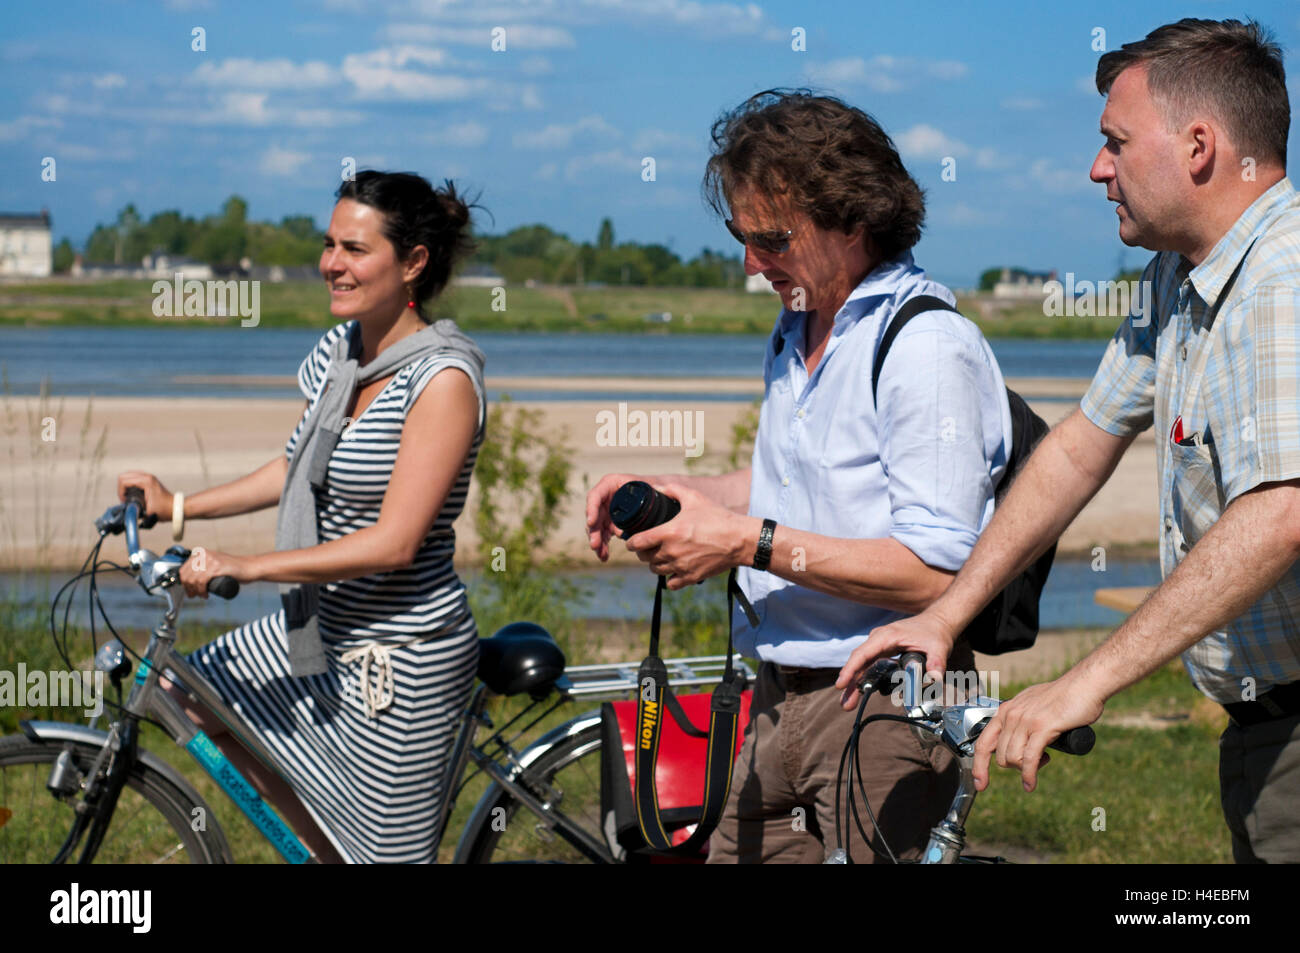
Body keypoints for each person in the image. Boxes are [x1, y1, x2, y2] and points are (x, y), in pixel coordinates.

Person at [838, 17, 1300, 863]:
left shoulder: (1280, 281)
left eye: (1115, 143)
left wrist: (1081, 683)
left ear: (1199, 146)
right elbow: (1082, 442)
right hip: (1263, 725)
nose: (1098, 169)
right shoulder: (1179, 274)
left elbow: (1279, 514)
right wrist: (947, 613)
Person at [586, 90, 1014, 863]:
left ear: (855, 221)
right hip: (777, 697)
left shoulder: (925, 346)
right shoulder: (799, 327)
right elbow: (789, 492)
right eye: (740, 236)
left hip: (888, 707)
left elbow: (941, 573)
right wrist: (673, 496)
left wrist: (743, 542)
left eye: (773, 237)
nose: (752, 263)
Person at [116, 170, 488, 863]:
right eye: (328, 244)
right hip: (322, 626)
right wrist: (180, 505)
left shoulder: (442, 381)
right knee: (188, 694)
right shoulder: (341, 352)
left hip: (399, 657)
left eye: (354, 248)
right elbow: (297, 467)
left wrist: (249, 566)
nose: (332, 264)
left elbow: (396, 542)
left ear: (413, 262)